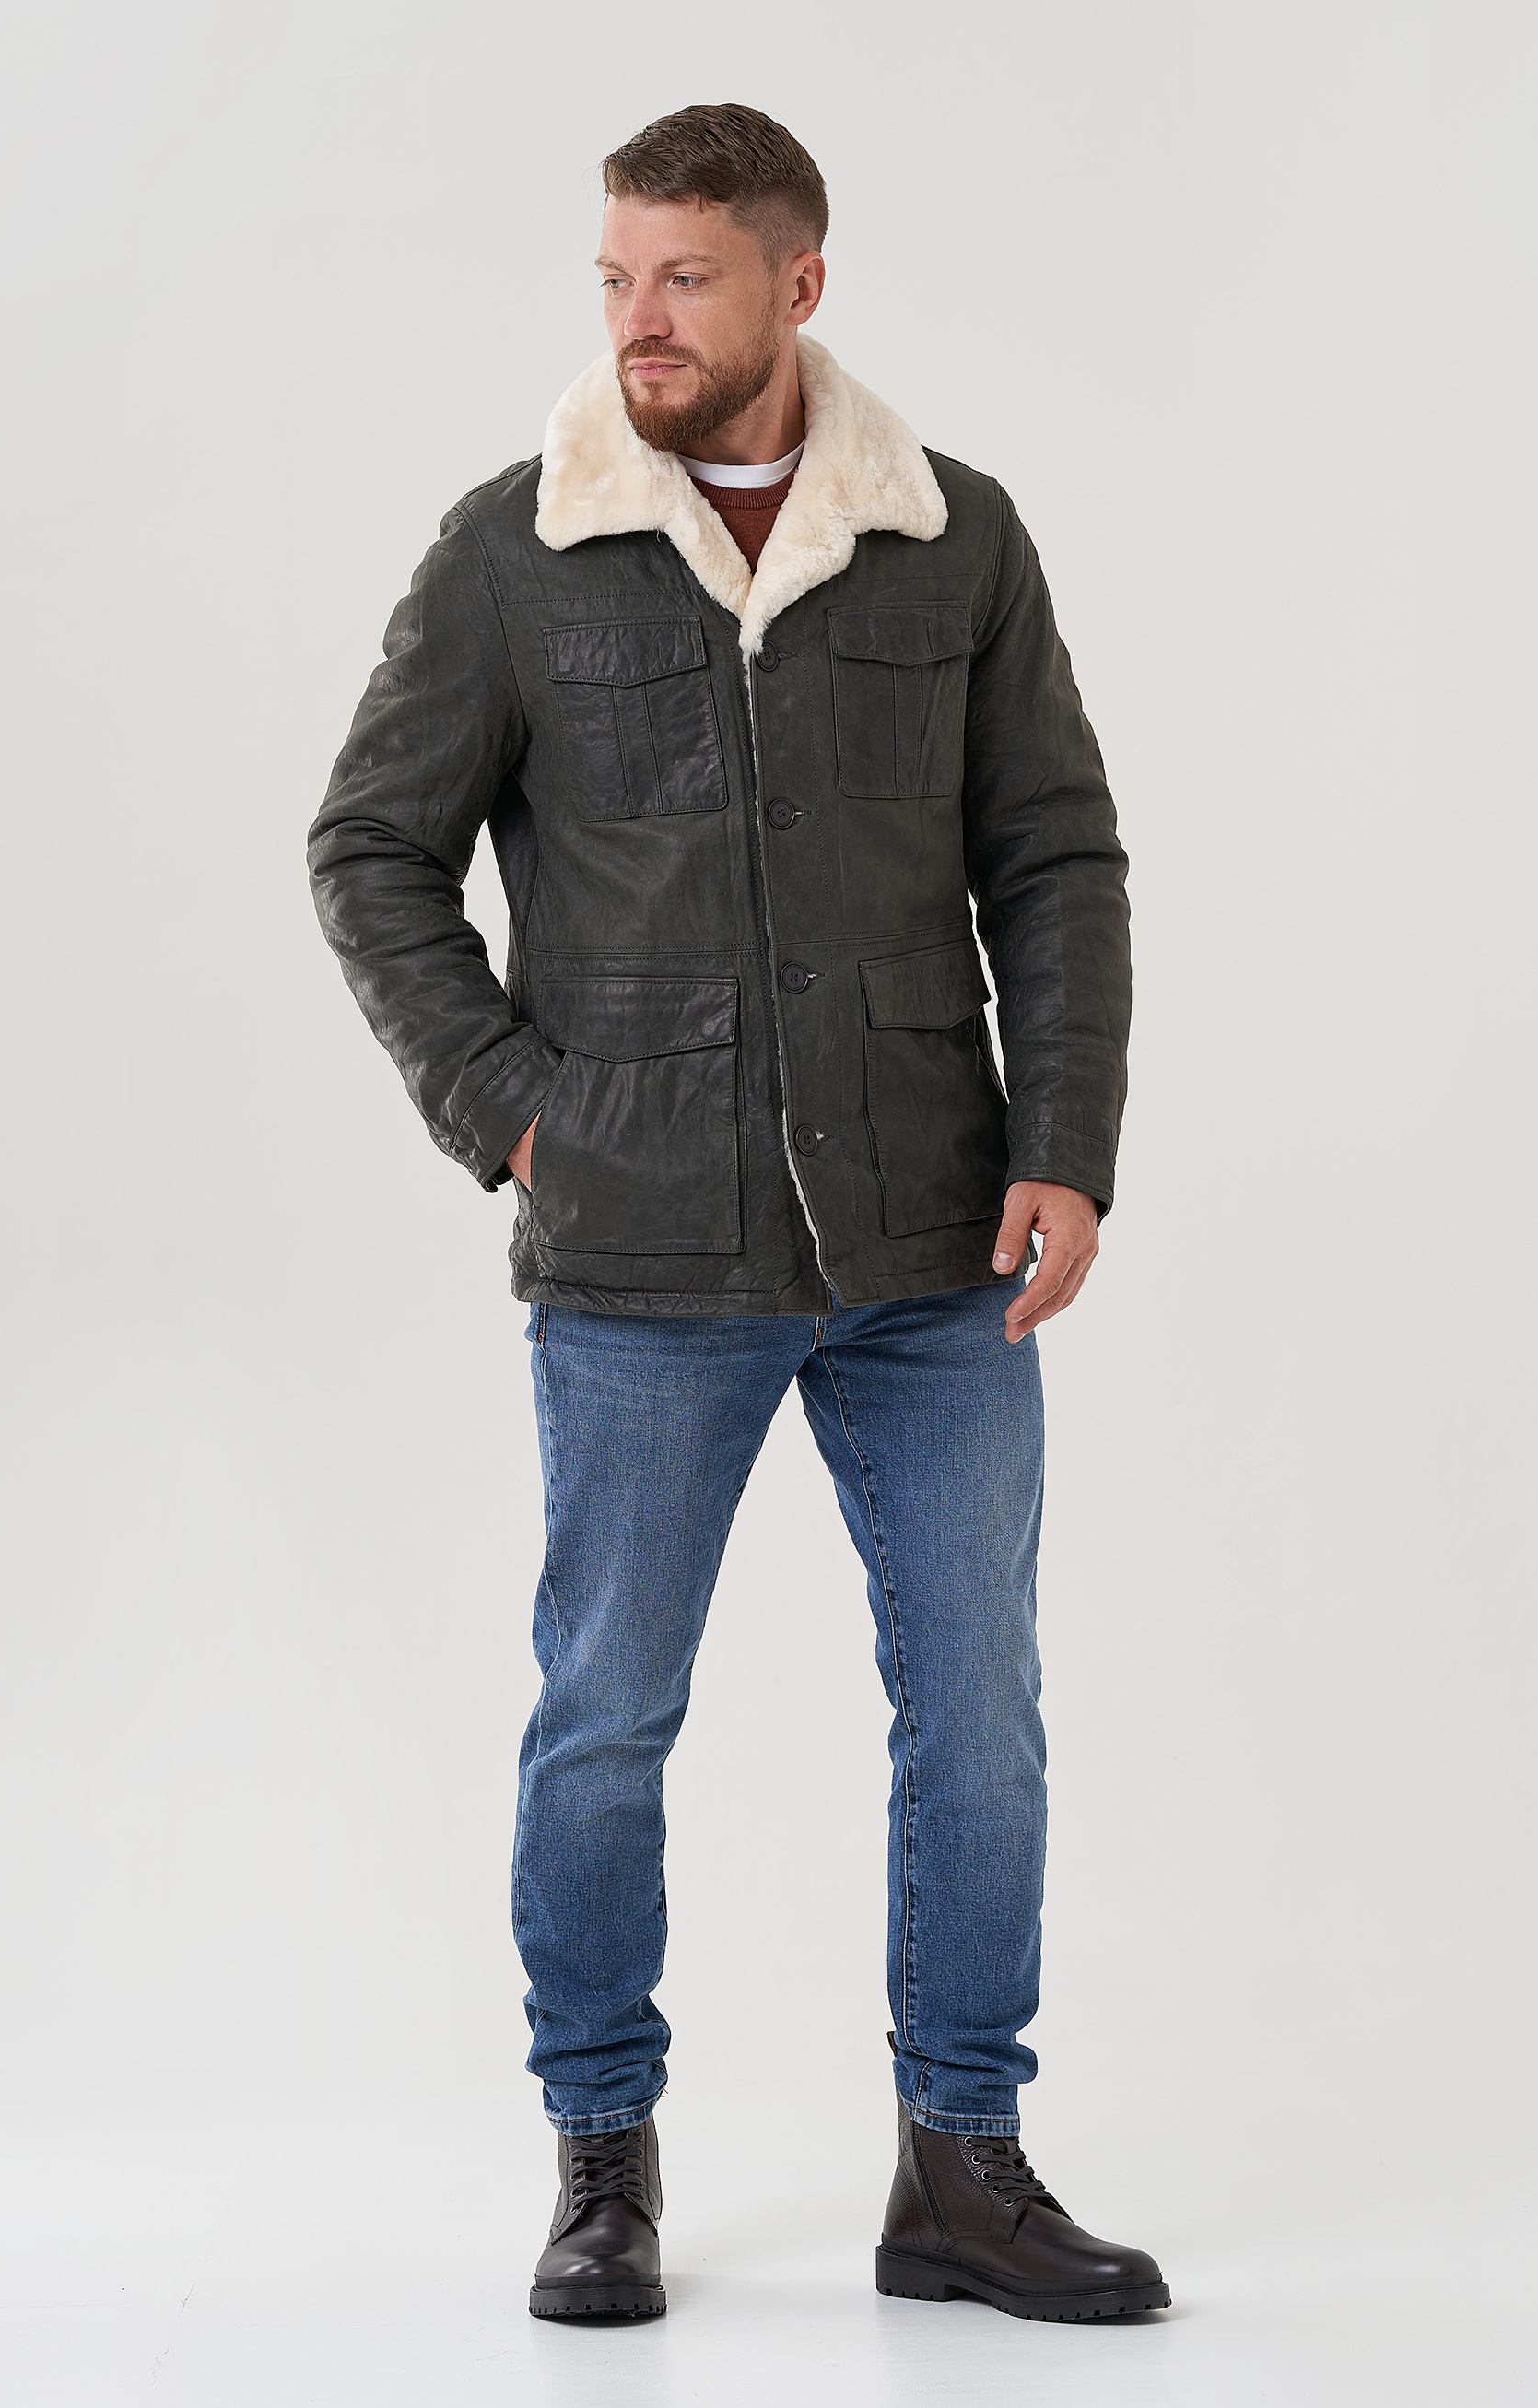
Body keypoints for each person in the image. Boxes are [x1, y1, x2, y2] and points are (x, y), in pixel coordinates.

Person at [308, 101, 1168, 2328]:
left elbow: (1053, 854)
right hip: (637, 1256)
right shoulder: (515, 547)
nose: (639, 323)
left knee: (978, 1707)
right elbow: (371, 849)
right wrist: (518, 1113)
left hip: (933, 1243)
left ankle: (960, 2163)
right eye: (614, 277)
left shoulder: (953, 539)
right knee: (604, 1713)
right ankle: (601, 2152)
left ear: (798, 283)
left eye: (682, 278)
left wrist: (1063, 1138)